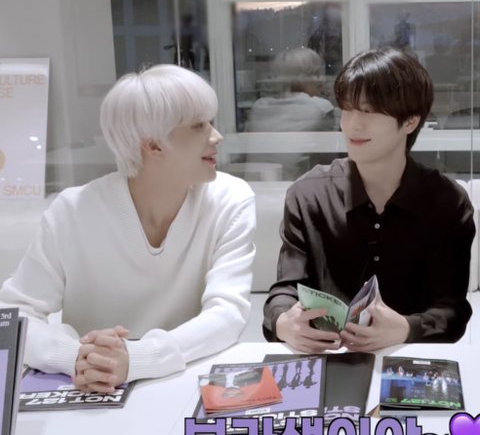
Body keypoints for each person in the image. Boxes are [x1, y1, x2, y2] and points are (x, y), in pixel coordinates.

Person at [0, 64, 256, 393]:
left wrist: (136, 359)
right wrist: (74, 356)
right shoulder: (73, 211)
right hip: (91, 392)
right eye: (198, 126)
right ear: (154, 146)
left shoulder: (230, 200)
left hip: (184, 386)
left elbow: (228, 314)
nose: (216, 136)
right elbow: (14, 312)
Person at [263, 47, 474, 353]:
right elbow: (285, 290)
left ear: (410, 121)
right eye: (347, 109)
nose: (353, 124)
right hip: (328, 358)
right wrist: (284, 322)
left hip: (407, 357)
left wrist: (407, 328)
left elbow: (452, 310)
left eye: (369, 111)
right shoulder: (309, 194)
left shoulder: (446, 201)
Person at [245, 47, 336, 180]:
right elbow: (329, 163)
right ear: (302, 78)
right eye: (316, 73)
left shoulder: (258, 106)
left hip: (255, 185)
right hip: (295, 187)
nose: (321, 80)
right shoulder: (321, 107)